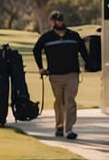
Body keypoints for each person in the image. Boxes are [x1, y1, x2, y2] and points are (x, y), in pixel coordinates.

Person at [33, 11, 90, 139]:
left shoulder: (74, 36)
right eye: (56, 20)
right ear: (51, 22)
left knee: (70, 100)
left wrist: (89, 64)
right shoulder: (46, 37)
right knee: (59, 102)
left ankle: (69, 129)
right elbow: (36, 50)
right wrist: (41, 68)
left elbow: (84, 52)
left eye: (61, 20)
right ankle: (59, 126)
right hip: (55, 75)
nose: (59, 23)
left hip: (72, 74)